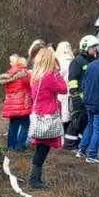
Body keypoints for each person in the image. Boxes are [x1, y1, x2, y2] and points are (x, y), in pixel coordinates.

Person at [26, 46, 68, 189]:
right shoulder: (49, 76)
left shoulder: (35, 76)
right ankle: (34, 179)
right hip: (48, 115)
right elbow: (63, 89)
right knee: (43, 148)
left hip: (38, 113)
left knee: (41, 147)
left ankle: (35, 177)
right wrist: (58, 73)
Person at [65, 35, 99, 147]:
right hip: (79, 97)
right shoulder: (78, 61)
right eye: (93, 47)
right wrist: (75, 94)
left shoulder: (93, 61)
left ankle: (78, 144)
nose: (95, 49)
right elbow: (73, 78)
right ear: (86, 47)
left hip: (89, 98)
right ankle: (69, 144)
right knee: (76, 122)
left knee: (84, 122)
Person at [0, 55, 31, 151]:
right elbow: (30, 85)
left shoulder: (9, 74)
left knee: (13, 125)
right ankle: (20, 146)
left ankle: (11, 146)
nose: (10, 63)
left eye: (11, 62)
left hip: (11, 104)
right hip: (22, 103)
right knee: (25, 124)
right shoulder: (25, 74)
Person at [55, 41, 75, 128]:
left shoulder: (58, 62)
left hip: (59, 90)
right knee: (68, 112)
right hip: (70, 89)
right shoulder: (73, 61)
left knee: (60, 112)